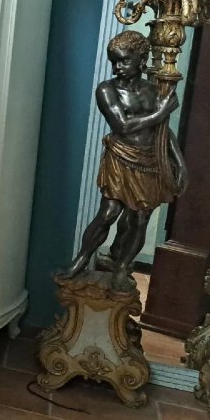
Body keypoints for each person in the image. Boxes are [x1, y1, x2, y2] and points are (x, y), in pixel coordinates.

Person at [60, 29, 188, 289]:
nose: (117, 67)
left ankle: (121, 267)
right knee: (108, 213)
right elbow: (123, 125)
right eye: (114, 61)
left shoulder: (153, 90)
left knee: (140, 218)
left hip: (150, 160)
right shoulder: (107, 90)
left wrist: (179, 161)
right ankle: (82, 259)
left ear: (141, 60)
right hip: (121, 155)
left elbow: (163, 132)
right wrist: (161, 112)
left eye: (124, 60)